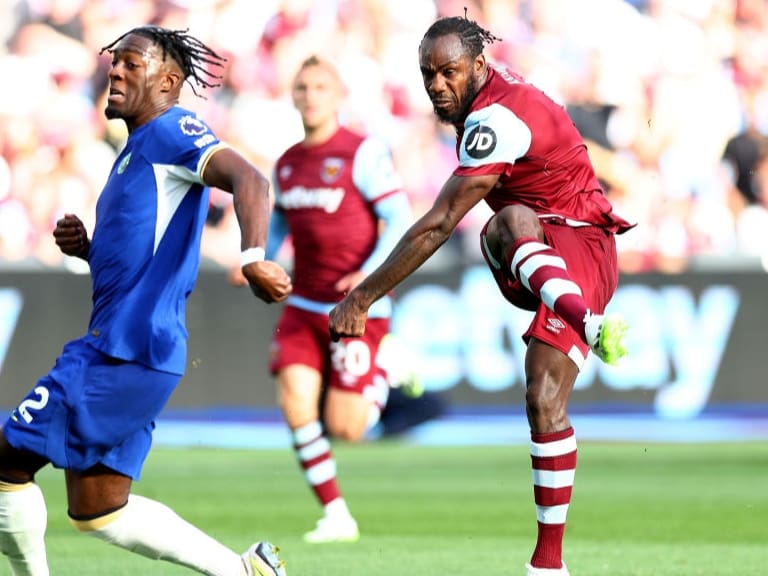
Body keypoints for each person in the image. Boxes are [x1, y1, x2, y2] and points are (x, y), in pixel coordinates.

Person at [329, 13, 633, 576]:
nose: (437, 85)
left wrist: (362, 296)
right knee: (505, 223)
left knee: (543, 396)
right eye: (428, 74)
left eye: (448, 72)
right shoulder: (490, 94)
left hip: (581, 246)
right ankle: (584, 321)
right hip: (535, 249)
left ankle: (547, 566)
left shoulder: (493, 120)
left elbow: (438, 224)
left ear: (477, 66)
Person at [0, 26, 292, 576]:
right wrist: (89, 250)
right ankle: (243, 572)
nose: (115, 70)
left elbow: (249, 177)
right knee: (99, 509)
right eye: (115, 61)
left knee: (6, 462)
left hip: (121, 350)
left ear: (167, 81)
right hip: (139, 352)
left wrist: (254, 255)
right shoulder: (135, 152)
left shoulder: (171, 129)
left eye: (131, 63)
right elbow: (142, 255)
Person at [263, 55, 414, 543]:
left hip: (356, 307)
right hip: (304, 305)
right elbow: (280, 223)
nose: (310, 96)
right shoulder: (287, 163)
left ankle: (389, 363)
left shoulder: (361, 152)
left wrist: (369, 275)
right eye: (302, 87)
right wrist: (258, 260)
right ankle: (335, 514)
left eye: (320, 87)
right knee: (295, 405)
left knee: (346, 427)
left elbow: (400, 217)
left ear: (339, 96)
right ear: (292, 96)